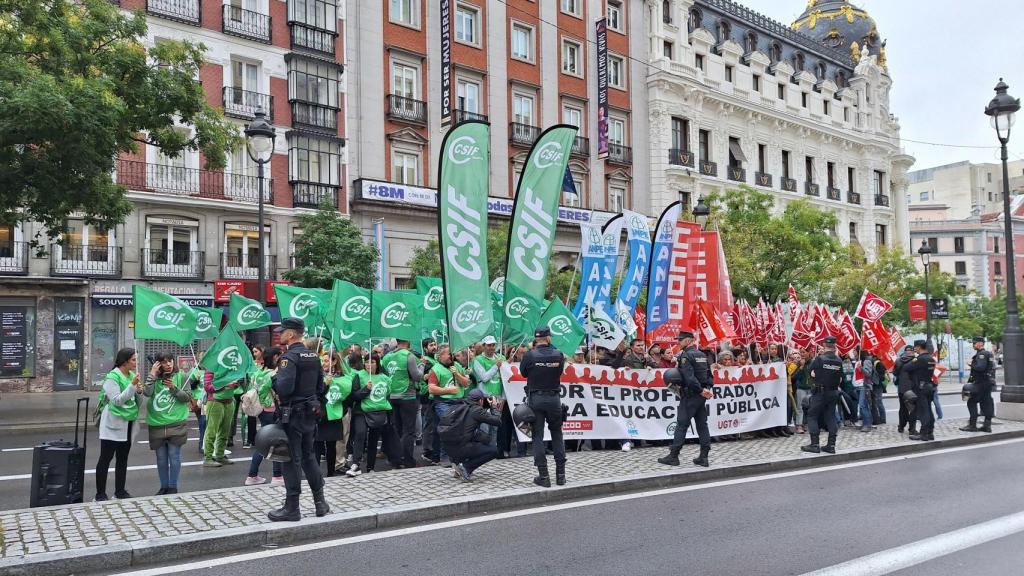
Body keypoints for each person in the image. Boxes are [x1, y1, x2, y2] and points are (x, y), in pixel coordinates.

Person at [268, 317, 329, 522]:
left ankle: (292, 507)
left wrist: (274, 379)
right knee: (309, 457)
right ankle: (320, 502)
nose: (280, 334)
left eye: (283, 331)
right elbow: (321, 387)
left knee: (290, 459)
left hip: (292, 415)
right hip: (310, 413)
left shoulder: (288, 358)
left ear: (292, 334)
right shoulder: (313, 356)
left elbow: (284, 388)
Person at [520, 326, 567, 487]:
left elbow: (523, 373)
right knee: (557, 434)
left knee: (537, 436)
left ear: (536, 339)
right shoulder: (558, 355)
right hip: (554, 399)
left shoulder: (529, 355)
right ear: (548, 338)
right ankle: (561, 476)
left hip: (536, 399)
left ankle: (544, 477)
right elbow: (559, 372)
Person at [658, 331, 713, 468]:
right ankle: (704, 457)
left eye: (680, 340)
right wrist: (707, 389)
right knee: (702, 425)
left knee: (682, 425)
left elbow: (689, 377)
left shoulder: (686, 356)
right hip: (701, 396)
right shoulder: (702, 354)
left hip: (691, 395)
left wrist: (700, 391)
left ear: (688, 341)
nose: (678, 342)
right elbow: (709, 375)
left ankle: (673, 456)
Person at [95, 348, 142, 501]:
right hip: (112, 423)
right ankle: (100, 494)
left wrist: (138, 391)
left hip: (128, 422)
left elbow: (135, 400)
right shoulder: (112, 377)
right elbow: (117, 400)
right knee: (106, 458)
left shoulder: (131, 376)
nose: (136, 363)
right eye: (134, 360)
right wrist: (132, 386)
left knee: (123, 458)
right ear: (124, 361)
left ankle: (120, 491)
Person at [143, 352, 192, 495]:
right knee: (161, 458)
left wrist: (174, 388)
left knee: (174, 455)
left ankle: (172, 486)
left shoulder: (181, 376)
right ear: (158, 364)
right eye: (164, 362)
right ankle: (163, 486)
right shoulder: (154, 378)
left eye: (170, 361)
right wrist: (152, 374)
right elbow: (146, 393)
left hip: (176, 423)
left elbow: (187, 398)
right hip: (157, 423)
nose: (169, 364)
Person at [345, 352, 397, 476]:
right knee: (360, 433)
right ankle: (356, 464)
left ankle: (370, 467)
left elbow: (388, 394)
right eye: (367, 362)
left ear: (377, 364)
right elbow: (354, 396)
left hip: (378, 411)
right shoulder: (358, 376)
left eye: (372, 362)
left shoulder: (385, 378)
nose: (369, 365)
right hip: (361, 411)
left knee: (373, 439)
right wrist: (366, 390)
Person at [382, 339, 424, 469]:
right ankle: (408, 460)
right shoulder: (408, 356)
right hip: (407, 396)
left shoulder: (387, 357)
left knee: (397, 430)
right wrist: (422, 365)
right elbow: (417, 376)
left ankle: (396, 459)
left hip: (392, 395)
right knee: (408, 431)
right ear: (407, 341)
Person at [245, 347, 284, 486]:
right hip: (271, 410)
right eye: (280, 356)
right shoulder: (273, 374)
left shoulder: (257, 373)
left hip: (260, 409)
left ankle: (252, 475)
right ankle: (277, 476)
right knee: (276, 442)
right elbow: (279, 391)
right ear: (275, 357)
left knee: (264, 441)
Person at [427, 344, 471, 465]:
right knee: (448, 427)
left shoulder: (457, 366)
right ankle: (444, 456)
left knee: (461, 428)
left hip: (459, 401)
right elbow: (431, 388)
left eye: (452, 354)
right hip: (443, 402)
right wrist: (448, 390)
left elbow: (466, 383)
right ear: (441, 356)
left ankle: (457, 455)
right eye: (448, 354)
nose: (451, 356)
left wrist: (457, 374)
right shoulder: (435, 369)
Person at [448, 389, 503, 482]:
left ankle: (457, 463)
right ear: (480, 400)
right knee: (494, 450)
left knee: (479, 439)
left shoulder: (459, 405)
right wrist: (494, 406)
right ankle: (466, 467)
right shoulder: (476, 410)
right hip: (462, 448)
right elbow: (497, 421)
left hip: (449, 448)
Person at [801, 337, 843, 454]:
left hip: (820, 392)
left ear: (824, 345)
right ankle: (831, 445)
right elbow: (840, 379)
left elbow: (811, 373)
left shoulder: (819, 359)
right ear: (834, 346)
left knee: (812, 415)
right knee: (831, 417)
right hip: (833, 392)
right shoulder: (839, 361)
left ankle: (814, 444)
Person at [471, 335, 507, 451]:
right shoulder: (477, 360)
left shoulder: (501, 357)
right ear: (484, 346)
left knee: (495, 426)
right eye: (489, 345)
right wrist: (496, 366)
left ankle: (492, 450)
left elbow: (506, 380)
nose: (491, 348)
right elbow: (484, 377)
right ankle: (483, 450)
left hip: (497, 397)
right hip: (485, 397)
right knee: (485, 426)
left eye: (493, 345)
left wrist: (503, 398)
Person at [315, 352, 345, 477]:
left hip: (333, 415)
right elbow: (316, 394)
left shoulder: (342, 377)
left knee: (331, 445)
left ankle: (331, 473)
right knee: (316, 444)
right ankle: (315, 474)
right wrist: (325, 384)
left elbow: (347, 395)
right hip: (319, 414)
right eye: (322, 360)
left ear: (334, 362)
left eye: (326, 361)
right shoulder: (317, 375)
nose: (324, 363)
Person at [962, 337, 996, 433]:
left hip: (980, 382)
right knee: (986, 402)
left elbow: (980, 367)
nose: (973, 345)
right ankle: (987, 425)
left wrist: (970, 364)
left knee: (971, 401)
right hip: (987, 382)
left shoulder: (982, 354)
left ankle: (972, 425)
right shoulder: (988, 353)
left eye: (974, 343)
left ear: (980, 343)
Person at [908, 340, 937, 442]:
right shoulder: (931, 358)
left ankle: (923, 434)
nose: (914, 349)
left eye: (915, 347)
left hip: (921, 388)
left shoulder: (920, 359)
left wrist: (913, 360)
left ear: (919, 347)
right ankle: (930, 433)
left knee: (923, 411)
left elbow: (907, 368)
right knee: (929, 410)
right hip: (929, 386)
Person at [894, 345, 917, 434]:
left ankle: (901, 426)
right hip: (912, 388)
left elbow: (895, 373)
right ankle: (912, 429)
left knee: (903, 408)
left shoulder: (898, 360)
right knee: (913, 409)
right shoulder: (915, 361)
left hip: (901, 388)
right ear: (912, 351)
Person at [858, 351, 877, 433]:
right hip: (860, 385)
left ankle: (867, 425)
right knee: (863, 405)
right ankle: (866, 423)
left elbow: (868, 374)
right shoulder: (860, 360)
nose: (854, 352)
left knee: (863, 405)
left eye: (855, 350)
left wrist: (861, 369)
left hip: (865, 386)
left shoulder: (867, 361)